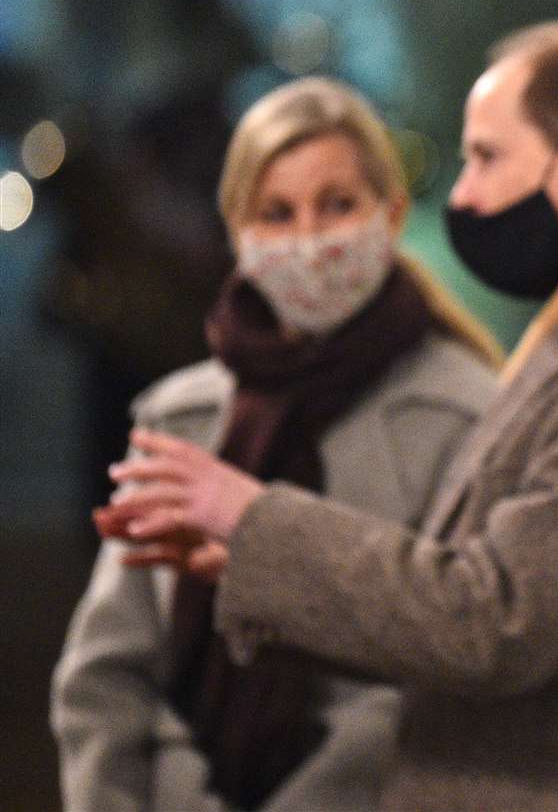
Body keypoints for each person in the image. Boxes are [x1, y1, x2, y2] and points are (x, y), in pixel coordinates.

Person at [104, 20, 558, 811]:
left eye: (486, 156)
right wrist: (255, 562)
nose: (465, 194)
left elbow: (491, 621)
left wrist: (251, 515)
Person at [52, 78, 501, 812]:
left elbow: (442, 677)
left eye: (337, 205)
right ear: (239, 235)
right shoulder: (182, 419)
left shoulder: (462, 416)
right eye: (277, 213)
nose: (310, 240)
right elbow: (108, 673)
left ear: (389, 215)